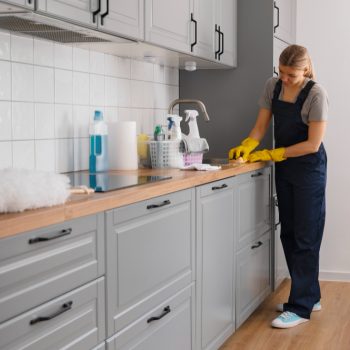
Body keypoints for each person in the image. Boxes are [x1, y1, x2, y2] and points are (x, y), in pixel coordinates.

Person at [229, 44, 328, 329]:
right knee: (289, 233)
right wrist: (248, 145)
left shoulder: (316, 94)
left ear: (305, 70)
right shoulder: (273, 86)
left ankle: (299, 307)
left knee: (306, 237)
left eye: (291, 75)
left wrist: (274, 154)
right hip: (285, 168)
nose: (284, 79)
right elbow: (260, 127)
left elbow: (313, 144)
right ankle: (310, 295)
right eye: (281, 72)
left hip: (309, 169)